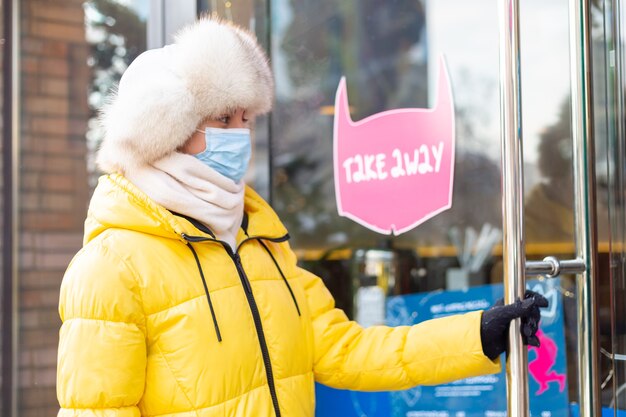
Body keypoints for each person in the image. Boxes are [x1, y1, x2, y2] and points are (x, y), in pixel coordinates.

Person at [56, 17, 548, 417]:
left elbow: (346, 351)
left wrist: (476, 334)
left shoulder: (261, 243)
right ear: (167, 132)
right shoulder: (112, 266)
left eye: (246, 120)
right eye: (222, 120)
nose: (239, 135)